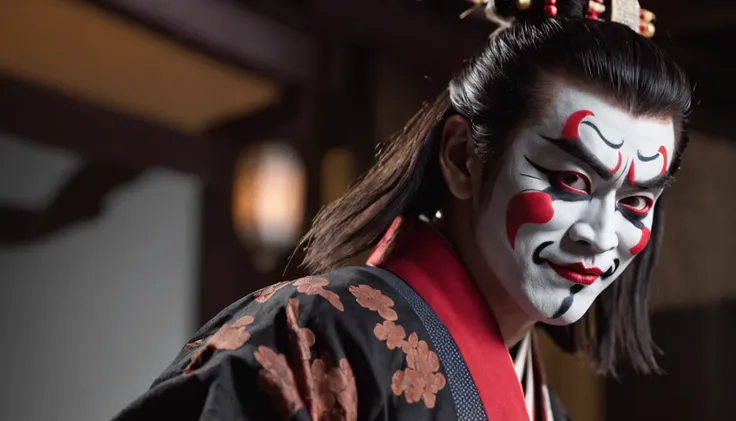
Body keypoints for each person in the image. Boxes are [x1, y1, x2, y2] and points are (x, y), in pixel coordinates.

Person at [113, 0, 691, 420]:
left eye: (636, 201)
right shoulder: (314, 338)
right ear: (463, 157)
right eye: (568, 179)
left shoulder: (544, 409)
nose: (601, 233)